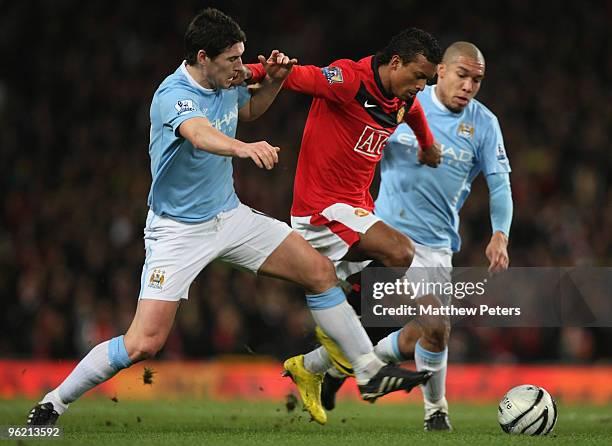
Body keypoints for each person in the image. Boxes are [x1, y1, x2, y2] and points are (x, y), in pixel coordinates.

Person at [26, 8, 430, 426]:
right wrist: (245, 148)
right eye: (233, 60)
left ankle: (365, 372)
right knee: (143, 343)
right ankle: (53, 402)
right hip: (178, 231)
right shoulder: (173, 94)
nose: (241, 68)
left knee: (320, 271)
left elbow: (248, 112)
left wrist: (271, 83)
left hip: (229, 216)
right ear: (203, 57)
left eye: (242, 58)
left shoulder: (225, 83)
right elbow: (199, 133)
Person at [307, 41, 513, 431]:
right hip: (384, 241)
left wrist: (499, 234)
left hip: (435, 247)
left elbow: (499, 185)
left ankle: (334, 370)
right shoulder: (402, 102)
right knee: (431, 326)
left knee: (425, 332)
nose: (469, 85)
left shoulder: (484, 124)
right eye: (462, 75)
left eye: (477, 80)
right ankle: (436, 411)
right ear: (440, 71)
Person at [245, 28, 444, 422]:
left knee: (382, 304)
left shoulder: (403, 100)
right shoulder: (349, 80)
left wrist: (427, 145)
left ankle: (311, 367)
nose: (421, 87)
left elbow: (414, 115)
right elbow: (297, 76)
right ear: (395, 63)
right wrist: (250, 72)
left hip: (355, 213)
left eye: (428, 80)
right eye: (418, 76)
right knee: (401, 251)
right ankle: (361, 365)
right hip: (321, 211)